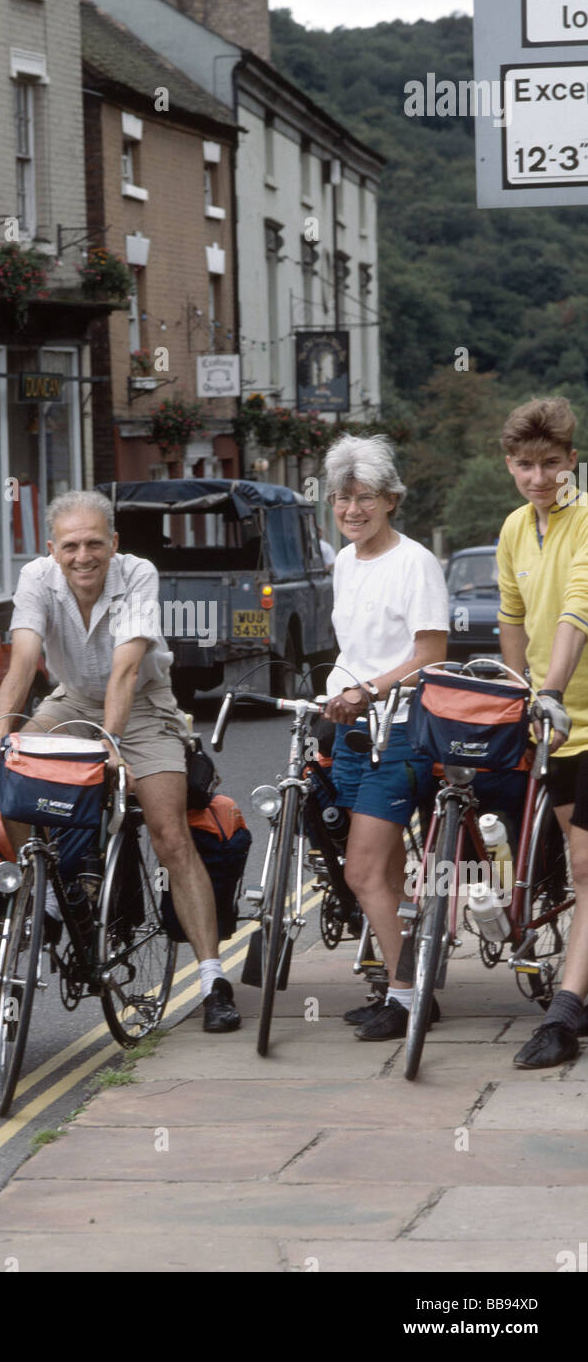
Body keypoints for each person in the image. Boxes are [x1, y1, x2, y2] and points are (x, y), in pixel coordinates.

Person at [0, 489, 240, 1032]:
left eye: (95, 543)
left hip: (142, 708)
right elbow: (23, 658)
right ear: (52, 548)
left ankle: (213, 980)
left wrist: (109, 746)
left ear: (113, 543)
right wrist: (0, 729)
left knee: (169, 833)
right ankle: (47, 893)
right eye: (70, 546)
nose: (83, 556)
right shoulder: (36, 578)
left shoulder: (137, 573)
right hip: (71, 700)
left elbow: (124, 671)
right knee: (14, 776)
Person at [322, 434, 449, 1040]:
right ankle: (409, 988)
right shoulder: (345, 561)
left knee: (362, 872)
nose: (352, 511)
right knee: (387, 873)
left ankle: (406, 996)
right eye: (342, 499)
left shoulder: (415, 563)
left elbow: (430, 656)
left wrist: (369, 689)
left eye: (365, 498)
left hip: (402, 731)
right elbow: (357, 647)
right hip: (353, 730)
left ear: (391, 499)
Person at [497, 396, 588, 1069]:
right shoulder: (510, 531)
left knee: (585, 864)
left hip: (581, 715)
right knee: (570, 858)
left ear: (570, 463)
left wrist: (551, 688)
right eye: (525, 465)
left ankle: (564, 1013)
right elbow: (512, 618)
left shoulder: (585, 520)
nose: (538, 478)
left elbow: (575, 614)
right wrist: (518, 696)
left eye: (549, 465)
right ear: (509, 465)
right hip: (551, 730)